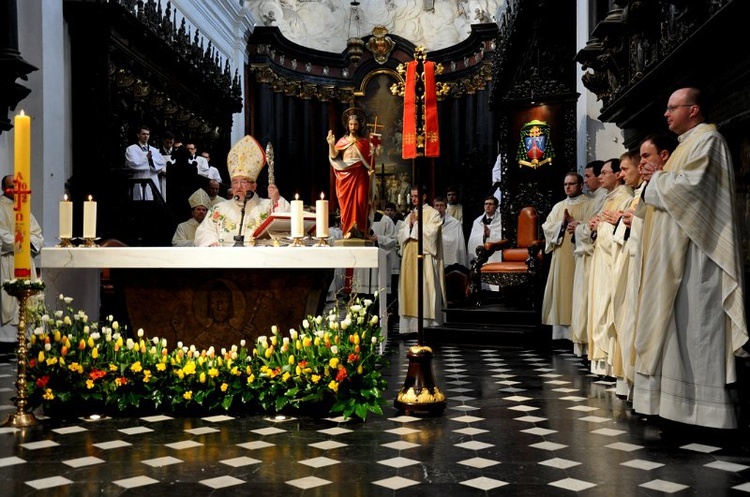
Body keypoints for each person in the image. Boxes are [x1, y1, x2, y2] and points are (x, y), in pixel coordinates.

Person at [632, 87, 748, 430]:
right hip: (675, 256)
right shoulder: (686, 146)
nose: (666, 115)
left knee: (697, 329)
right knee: (676, 329)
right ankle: (673, 406)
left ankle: (703, 412)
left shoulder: (708, 142)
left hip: (699, 256)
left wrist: (658, 179)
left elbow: (695, 188)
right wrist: (658, 179)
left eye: (672, 108)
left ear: (693, 109)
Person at [613, 135, 676, 398]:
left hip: (655, 264)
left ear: (664, 155)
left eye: (645, 158)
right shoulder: (642, 192)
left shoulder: (659, 185)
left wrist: (629, 222)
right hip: (638, 263)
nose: (640, 167)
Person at [585, 157, 633, 377]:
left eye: (605, 172)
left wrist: (603, 226)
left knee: (608, 308)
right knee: (599, 306)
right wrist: (595, 228)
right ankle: (601, 361)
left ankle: (609, 362)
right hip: (602, 260)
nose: (601, 176)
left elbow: (621, 230)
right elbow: (604, 230)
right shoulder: (608, 199)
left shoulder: (625, 198)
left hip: (612, 261)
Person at [195, 135, 272, 247]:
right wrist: (211, 243)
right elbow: (204, 233)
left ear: (254, 186)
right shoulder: (218, 209)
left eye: (244, 181)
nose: (239, 186)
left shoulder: (268, 207)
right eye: (235, 182)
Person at [540, 172, 590, 344]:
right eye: (565, 184)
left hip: (580, 255)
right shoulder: (559, 206)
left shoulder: (589, 204)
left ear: (581, 185)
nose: (567, 187)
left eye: (572, 184)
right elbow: (547, 227)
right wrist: (562, 224)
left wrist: (575, 223)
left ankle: (578, 332)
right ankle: (563, 334)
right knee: (563, 290)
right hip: (562, 254)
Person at [0, 175, 44, 350]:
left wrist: (25, 243)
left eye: (16, 187)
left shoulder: (24, 208)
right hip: (6, 261)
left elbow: (38, 236)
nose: (14, 191)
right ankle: (6, 341)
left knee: (28, 300)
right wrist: (22, 242)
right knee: (7, 299)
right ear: (4, 189)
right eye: (11, 187)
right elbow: (2, 237)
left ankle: (25, 337)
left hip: (25, 261)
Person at [570, 160, 607, 358]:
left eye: (588, 176)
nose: (586, 181)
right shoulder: (599, 198)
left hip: (593, 256)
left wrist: (577, 227)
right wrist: (579, 226)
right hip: (587, 255)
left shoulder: (604, 198)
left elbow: (597, 227)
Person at [398, 187, 445, 335]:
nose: (414, 199)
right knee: (409, 288)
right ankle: (409, 327)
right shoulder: (410, 215)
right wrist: (411, 225)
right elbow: (400, 234)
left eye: (416, 196)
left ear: (424, 196)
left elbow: (432, 234)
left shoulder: (433, 213)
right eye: (412, 196)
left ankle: (427, 325)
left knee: (425, 287)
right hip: (409, 256)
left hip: (425, 257)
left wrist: (415, 225)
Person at [327, 108, 373, 237]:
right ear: (347, 125)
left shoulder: (364, 142)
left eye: (355, 124)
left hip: (360, 174)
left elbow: (370, 161)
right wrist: (331, 144)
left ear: (359, 125)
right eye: (351, 124)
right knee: (346, 205)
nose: (353, 127)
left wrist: (371, 169)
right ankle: (348, 230)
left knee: (360, 202)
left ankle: (362, 230)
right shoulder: (342, 141)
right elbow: (334, 155)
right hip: (345, 176)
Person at [124, 125, 166, 200]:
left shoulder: (154, 150)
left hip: (153, 180)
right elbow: (132, 164)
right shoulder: (131, 149)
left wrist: (151, 161)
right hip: (139, 179)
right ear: (138, 135)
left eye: (147, 134)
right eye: (143, 134)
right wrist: (146, 159)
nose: (146, 136)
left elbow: (161, 164)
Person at [467, 195, 502, 268]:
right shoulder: (477, 221)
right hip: (480, 255)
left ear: (496, 207)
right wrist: (483, 236)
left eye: (490, 204)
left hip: (495, 255)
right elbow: (472, 241)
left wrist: (491, 234)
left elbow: (504, 239)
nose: (487, 206)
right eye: (486, 204)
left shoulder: (502, 221)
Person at [433, 195, 467, 269]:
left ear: (446, 207)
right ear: (433, 207)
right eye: (437, 205)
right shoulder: (429, 222)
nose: (439, 208)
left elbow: (459, 244)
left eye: (441, 205)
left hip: (449, 258)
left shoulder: (455, 223)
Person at [158, 130, 175, 200]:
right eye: (167, 142)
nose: (169, 145)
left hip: (174, 180)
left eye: (171, 143)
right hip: (162, 180)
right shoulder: (157, 152)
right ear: (163, 141)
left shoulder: (177, 153)